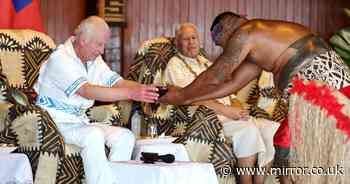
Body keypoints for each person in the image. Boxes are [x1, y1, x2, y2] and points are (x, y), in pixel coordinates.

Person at [160, 12, 350, 183]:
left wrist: (181, 95)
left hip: (326, 88)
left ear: (225, 30)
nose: (224, 50)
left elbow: (215, 75)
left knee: (286, 144)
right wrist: (185, 98)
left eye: (221, 44)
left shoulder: (246, 32)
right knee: (286, 144)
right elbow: (229, 84)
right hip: (320, 89)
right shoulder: (258, 49)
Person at [34, 16, 159, 184]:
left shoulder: (93, 60)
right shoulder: (60, 59)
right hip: (54, 123)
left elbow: (118, 83)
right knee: (93, 136)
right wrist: (131, 94)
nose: (102, 50)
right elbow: (86, 91)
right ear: (83, 41)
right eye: (99, 44)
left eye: (104, 44)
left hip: (79, 122)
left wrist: (145, 89)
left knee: (125, 137)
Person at [164, 22, 279, 184]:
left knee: (272, 129)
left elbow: (230, 94)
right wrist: (226, 111)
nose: (191, 42)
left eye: (194, 38)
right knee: (247, 130)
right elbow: (187, 97)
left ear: (199, 40)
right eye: (185, 39)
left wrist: (238, 109)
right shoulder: (174, 65)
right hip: (208, 117)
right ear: (177, 43)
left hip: (229, 113)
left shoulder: (207, 63)